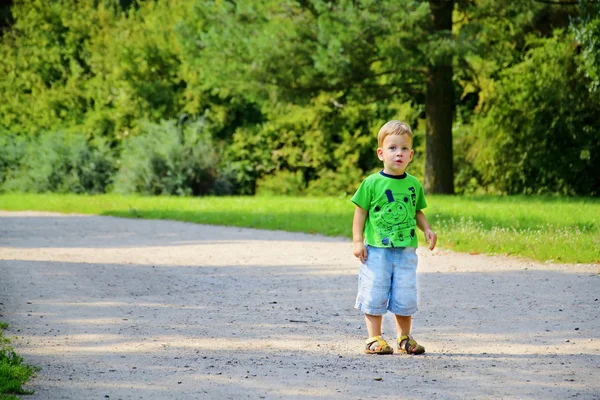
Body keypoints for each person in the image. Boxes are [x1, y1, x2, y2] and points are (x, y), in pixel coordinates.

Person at [351, 120, 437, 355]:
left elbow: (417, 211)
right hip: (377, 250)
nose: (398, 153)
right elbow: (360, 212)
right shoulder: (372, 183)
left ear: (411, 154)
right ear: (381, 153)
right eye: (392, 148)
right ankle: (374, 338)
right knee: (375, 290)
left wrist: (427, 229)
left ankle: (404, 338)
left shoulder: (413, 184)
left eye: (404, 149)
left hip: (406, 250)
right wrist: (358, 240)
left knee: (405, 292)